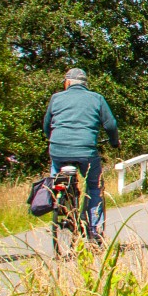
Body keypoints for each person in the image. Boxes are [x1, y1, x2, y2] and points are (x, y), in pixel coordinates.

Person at [45, 67, 119, 243]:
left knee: (56, 174)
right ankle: (95, 232)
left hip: (58, 149)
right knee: (94, 185)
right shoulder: (97, 99)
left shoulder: (56, 98)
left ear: (67, 83)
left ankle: (59, 200)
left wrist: (52, 139)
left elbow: (46, 124)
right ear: (85, 84)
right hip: (86, 151)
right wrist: (114, 142)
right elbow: (110, 125)